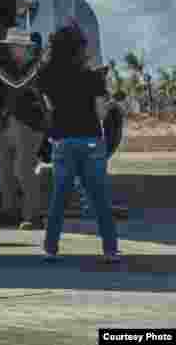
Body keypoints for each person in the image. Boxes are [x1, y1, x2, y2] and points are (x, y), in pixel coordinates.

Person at [38, 25, 119, 263]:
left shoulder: (47, 75)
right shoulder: (92, 76)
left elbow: (49, 106)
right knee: (100, 199)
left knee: (59, 197)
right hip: (90, 140)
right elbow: (101, 112)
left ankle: (51, 248)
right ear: (80, 49)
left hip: (62, 140)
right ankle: (110, 250)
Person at [0, 29, 49, 230]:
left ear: (25, 48)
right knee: (5, 170)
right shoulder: (13, 66)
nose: (11, 50)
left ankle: (33, 216)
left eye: (15, 46)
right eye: (9, 46)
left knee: (23, 169)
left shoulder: (35, 66)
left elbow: (17, 84)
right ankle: (10, 213)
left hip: (30, 125)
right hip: (10, 123)